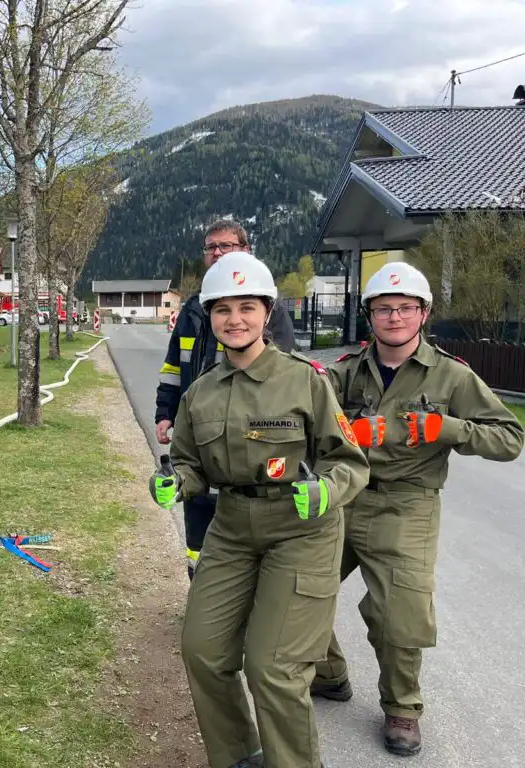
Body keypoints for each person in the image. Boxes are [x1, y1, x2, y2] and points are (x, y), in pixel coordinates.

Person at [150, 251, 369, 768]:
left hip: (301, 532)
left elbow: (350, 463)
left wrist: (326, 492)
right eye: (223, 309)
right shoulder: (200, 393)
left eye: (247, 306)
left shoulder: (305, 380)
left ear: (267, 313)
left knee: (273, 668)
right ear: (210, 316)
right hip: (230, 530)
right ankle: (238, 755)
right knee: (202, 652)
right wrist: (174, 482)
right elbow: (189, 464)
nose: (235, 319)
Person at [310, 262, 524, 756]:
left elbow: (510, 438)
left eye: (405, 307)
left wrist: (445, 429)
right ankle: (329, 673)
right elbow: (308, 413)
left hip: (408, 506)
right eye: (384, 308)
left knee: (398, 616)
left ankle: (402, 708)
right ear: (370, 315)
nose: (394, 317)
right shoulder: (346, 370)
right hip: (345, 496)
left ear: (424, 313)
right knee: (301, 587)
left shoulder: (451, 374)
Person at [156, 220, 296, 578]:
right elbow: (174, 367)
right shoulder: (191, 310)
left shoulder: (268, 308)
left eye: (226, 246)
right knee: (197, 517)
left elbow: (284, 377)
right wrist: (165, 411)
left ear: (246, 251)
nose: (217, 252)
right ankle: (202, 594)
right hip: (200, 430)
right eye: (211, 247)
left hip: (252, 437)